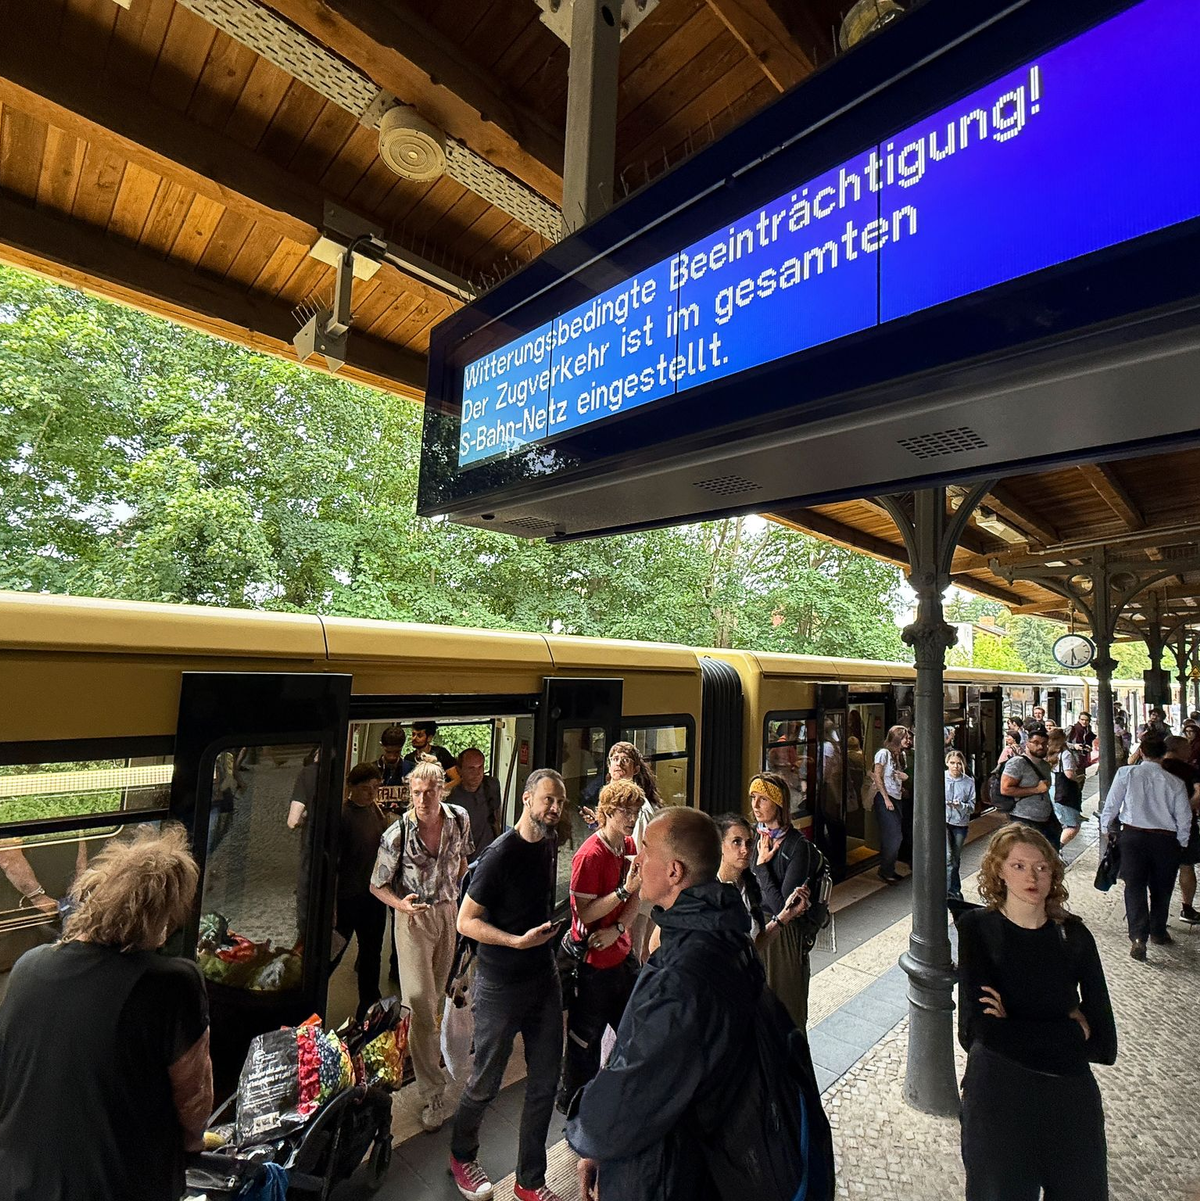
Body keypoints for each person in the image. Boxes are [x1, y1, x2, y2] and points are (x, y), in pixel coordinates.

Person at [567, 807, 834, 1201]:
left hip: (677, 1173)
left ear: (674, 871)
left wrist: (589, 1133)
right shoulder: (726, 937)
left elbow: (635, 1086)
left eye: (645, 849)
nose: (637, 859)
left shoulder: (682, 975)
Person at [0, 825, 212, 1201]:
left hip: (21, 1179)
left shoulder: (28, 967)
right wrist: (193, 1143)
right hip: (117, 1184)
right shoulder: (173, 982)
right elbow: (193, 1097)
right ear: (161, 914)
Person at [956, 824, 1117, 1201]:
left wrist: (1012, 1023)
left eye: (1042, 868)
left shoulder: (1074, 936)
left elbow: (1105, 1044)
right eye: (1018, 866)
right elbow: (979, 1032)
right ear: (998, 871)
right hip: (998, 1101)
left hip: (1069, 1102)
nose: (1032, 877)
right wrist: (1073, 1032)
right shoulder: (977, 930)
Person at [448, 768, 566, 1201]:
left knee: (545, 1080)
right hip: (500, 985)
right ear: (526, 799)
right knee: (485, 1082)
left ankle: (529, 1181)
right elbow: (466, 921)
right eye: (548, 800)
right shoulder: (500, 855)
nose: (554, 808)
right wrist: (515, 941)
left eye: (560, 802)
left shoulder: (550, 843)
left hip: (543, 978)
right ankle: (461, 1155)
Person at [370, 759, 472, 1132]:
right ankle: (431, 1092)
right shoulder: (397, 834)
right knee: (422, 1005)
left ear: (442, 790)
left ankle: (436, 1060)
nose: (423, 798)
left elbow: (463, 861)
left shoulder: (459, 818)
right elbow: (376, 885)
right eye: (416, 792)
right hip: (412, 921)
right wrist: (401, 905)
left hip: (448, 914)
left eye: (430, 791)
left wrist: (460, 901)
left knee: (439, 999)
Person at [558, 779, 644, 1112]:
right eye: (625, 810)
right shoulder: (589, 856)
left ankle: (622, 1101)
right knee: (583, 1045)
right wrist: (622, 894)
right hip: (592, 967)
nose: (631, 817)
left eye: (635, 810)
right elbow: (585, 910)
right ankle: (576, 1108)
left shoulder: (630, 846)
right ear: (606, 812)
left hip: (620, 959)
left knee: (634, 1033)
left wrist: (619, 927)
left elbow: (636, 894)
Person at [1100, 731, 1192, 959]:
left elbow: (1112, 805)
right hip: (1165, 840)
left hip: (1133, 838)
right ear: (1164, 755)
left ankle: (1138, 937)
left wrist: (1105, 829)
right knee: (1162, 888)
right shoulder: (1176, 782)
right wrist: (1181, 842)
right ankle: (1158, 931)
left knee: (1134, 887)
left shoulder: (1126, 773)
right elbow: (1184, 817)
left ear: (1141, 752)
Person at [750, 771, 824, 1028]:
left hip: (784, 934)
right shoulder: (753, 837)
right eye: (753, 798)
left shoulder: (797, 846)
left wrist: (761, 868)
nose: (755, 806)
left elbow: (785, 905)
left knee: (785, 1008)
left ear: (779, 803)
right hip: (757, 925)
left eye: (763, 800)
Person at [332, 762, 389, 1021]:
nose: (371, 793)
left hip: (373, 895)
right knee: (335, 950)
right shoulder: (343, 817)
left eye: (375, 788)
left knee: (371, 951)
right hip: (348, 896)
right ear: (351, 788)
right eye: (365, 789)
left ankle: (368, 1000)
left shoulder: (376, 810)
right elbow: (334, 863)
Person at [715, 813, 811, 946]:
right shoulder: (708, 889)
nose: (745, 850)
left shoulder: (750, 884)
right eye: (736, 842)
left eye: (749, 843)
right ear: (720, 846)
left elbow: (756, 943)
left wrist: (786, 914)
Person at [1000, 723, 1059, 848]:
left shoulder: (1045, 765)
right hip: (1023, 819)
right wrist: (1036, 789)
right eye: (1036, 742)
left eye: (1044, 744)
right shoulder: (1017, 763)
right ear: (1027, 743)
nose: (1040, 746)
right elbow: (1005, 789)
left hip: (1045, 819)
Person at [1162, 735, 1200, 925]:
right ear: (1177, 749)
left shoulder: (1157, 769)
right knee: (1186, 865)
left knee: (1160, 869)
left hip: (1158, 826)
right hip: (1186, 825)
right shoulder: (1190, 771)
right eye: (1187, 747)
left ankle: (1159, 911)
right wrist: (1183, 810)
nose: (1190, 750)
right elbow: (1199, 796)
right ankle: (1187, 908)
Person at [449, 747, 503, 858]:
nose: (477, 773)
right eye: (471, 768)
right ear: (459, 770)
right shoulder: (451, 799)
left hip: (487, 856)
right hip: (462, 858)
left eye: (480, 767)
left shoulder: (491, 786)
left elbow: (496, 819)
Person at [871, 725, 909, 883]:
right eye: (906, 737)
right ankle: (885, 870)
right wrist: (886, 798)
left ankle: (888, 869)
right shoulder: (883, 754)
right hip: (885, 798)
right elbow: (877, 776)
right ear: (897, 738)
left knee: (894, 835)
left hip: (897, 797)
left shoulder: (900, 755)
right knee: (894, 836)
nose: (909, 740)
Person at [945, 750, 976, 901]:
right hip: (943, 821)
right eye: (952, 763)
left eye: (958, 763)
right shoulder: (940, 778)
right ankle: (951, 891)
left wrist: (961, 806)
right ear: (947, 763)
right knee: (948, 857)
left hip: (960, 823)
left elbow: (972, 806)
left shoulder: (969, 781)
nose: (955, 766)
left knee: (955, 858)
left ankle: (954, 889)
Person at [1047, 728, 1086, 848]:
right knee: (1072, 826)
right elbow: (1069, 774)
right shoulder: (1065, 754)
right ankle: (1056, 849)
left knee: (1059, 822)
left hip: (1051, 790)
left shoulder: (1048, 753)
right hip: (1064, 792)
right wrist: (1078, 778)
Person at [404, 721, 459, 786]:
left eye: (419, 735)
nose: (414, 738)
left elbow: (457, 780)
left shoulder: (441, 754)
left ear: (429, 738)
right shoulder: (408, 758)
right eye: (413, 734)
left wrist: (440, 791)